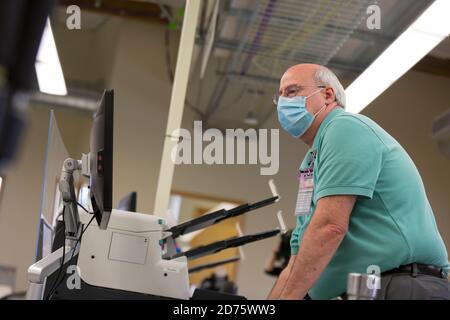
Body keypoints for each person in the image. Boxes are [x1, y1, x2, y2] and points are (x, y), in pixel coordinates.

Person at [267, 63, 450, 300]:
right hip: (365, 291)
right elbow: (297, 255)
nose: (283, 102)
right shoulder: (310, 163)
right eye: (279, 96)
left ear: (327, 94)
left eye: (292, 91)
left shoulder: (344, 127)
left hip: (400, 287)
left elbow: (329, 227)